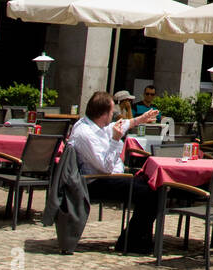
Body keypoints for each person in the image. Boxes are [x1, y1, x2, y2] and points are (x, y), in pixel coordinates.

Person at [67, 91, 159, 253]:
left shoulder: (95, 125)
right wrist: (116, 140)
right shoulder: (85, 134)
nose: (113, 115)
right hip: (96, 182)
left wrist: (139, 120)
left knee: (153, 184)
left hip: (109, 177)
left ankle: (138, 239)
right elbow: (106, 167)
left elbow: (114, 127)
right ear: (103, 114)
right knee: (149, 193)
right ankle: (130, 241)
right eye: (111, 112)